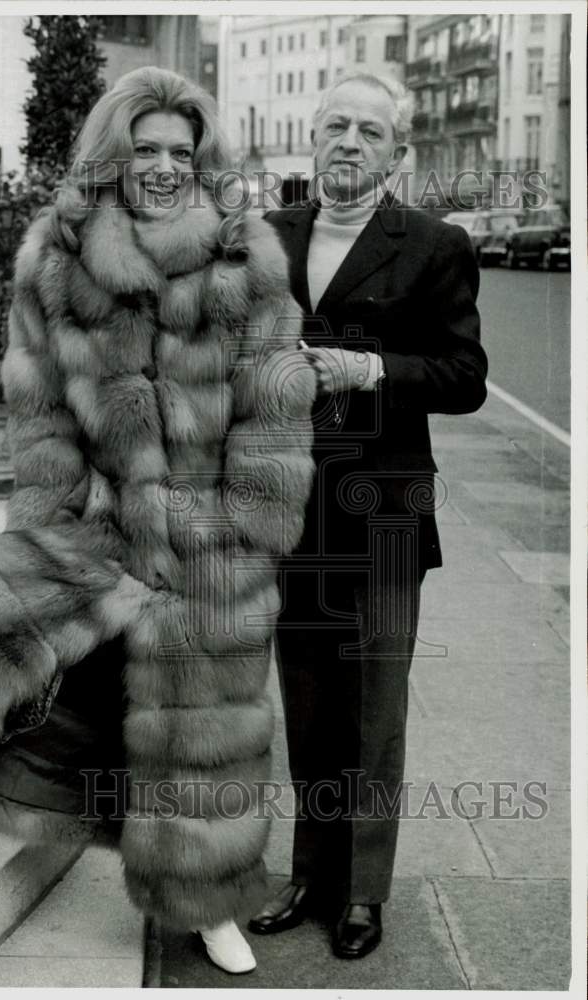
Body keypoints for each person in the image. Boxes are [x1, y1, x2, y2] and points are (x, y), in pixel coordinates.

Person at [0, 66, 316, 976]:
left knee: (204, 727)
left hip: (213, 536)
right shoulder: (59, 251)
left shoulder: (249, 256)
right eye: (147, 149)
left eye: (182, 151)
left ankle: (206, 904)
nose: (164, 166)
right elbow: (40, 410)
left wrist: (248, 530)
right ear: (113, 155)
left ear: (202, 162)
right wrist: (50, 518)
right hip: (92, 520)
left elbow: (276, 407)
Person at [247, 72, 488, 959]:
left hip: (384, 510)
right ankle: (310, 872)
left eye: (370, 131)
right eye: (335, 125)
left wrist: (373, 370)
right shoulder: (268, 236)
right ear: (314, 138)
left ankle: (364, 891)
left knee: (376, 708)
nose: (349, 141)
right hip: (291, 506)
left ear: (399, 154)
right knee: (305, 703)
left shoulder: (434, 244)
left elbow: (465, 378)